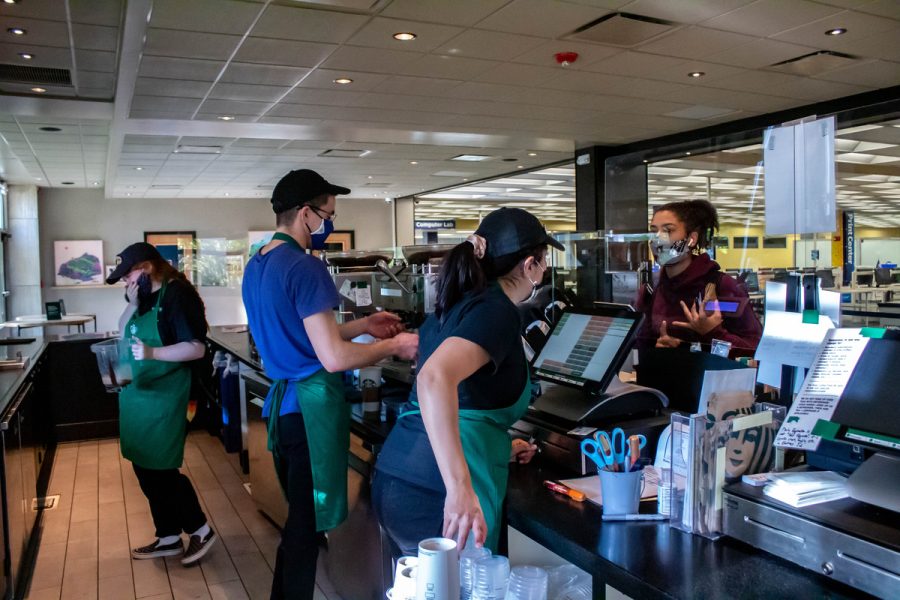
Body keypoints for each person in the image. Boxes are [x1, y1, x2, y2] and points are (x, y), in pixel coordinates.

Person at [241, 169, 418, 600]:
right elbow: (333, 358)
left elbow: (306, 334)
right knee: (303, 531)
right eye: (326, 215)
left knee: (298, 525)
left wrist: (365, 325)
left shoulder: (257, 264)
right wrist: (394, 345)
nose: (328, 225)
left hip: (283, 408)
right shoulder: (305, 268)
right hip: (309, 411)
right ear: (305, 213)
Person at [373, 207, 559, 557]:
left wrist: (499, 447)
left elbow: (467, 398)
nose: (546, 269)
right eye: (544, 259)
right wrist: (459, 489)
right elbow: (434, 378)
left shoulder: (460, 302)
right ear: (529, 264)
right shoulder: (497, 311)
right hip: (437, 491)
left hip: (399, 474)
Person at [106, 242, 217, 566]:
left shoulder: (177, 295)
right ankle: (168, 535)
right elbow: (123, 331)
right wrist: (132, 302)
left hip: (169, 395)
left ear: (149, 267)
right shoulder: (143, 298)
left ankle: (201, 529)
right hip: (138, 395)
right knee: (143, 466)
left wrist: (153, 353)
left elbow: (196, 348)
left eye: (129, 274)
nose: (126, 281)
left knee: (163, 471)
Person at [635, 200, 762, 357]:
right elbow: (638, 345)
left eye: (668, 230)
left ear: (691, 239)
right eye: (654, 231)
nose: (658, 239)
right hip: (661, 379)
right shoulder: (651, 289)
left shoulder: (721, 286)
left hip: (710, 379)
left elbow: (755, 349)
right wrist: (656, 348)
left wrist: (712, 333)